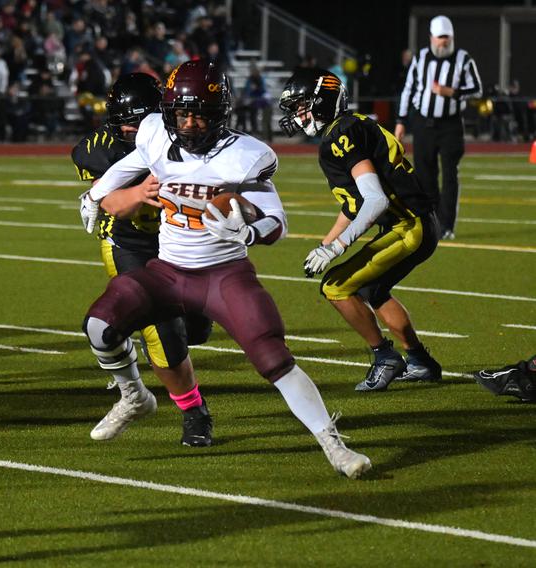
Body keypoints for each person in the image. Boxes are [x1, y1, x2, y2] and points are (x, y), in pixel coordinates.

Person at [78, 60, 371, 479]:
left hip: (223, 275)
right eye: (184, 113)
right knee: (98, 327)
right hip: (167, 271)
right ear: (169, 113)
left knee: (274, 359)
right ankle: (134, 395)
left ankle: (334, 445)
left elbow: (277, 221)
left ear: (222, 115)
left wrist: (248, 232)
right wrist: (98, 193)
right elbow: (133, 164)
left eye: (203, 115)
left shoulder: (245, 156)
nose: (193, 124)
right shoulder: (154, 135)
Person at [72, 73, 215, 446]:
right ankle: (193, 413)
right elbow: (111, 204)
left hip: (182, 241)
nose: (132, 129)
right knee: (164, 331)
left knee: (196, 330)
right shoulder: (100, 150)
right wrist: (140, 191)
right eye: (126, 122)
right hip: (131, 243)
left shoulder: (188, 135)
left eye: (140, 121)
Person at [278, 68, 443, 392]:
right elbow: (354, 207)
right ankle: (420, 361)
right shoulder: (349, 127)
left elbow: (375, 200)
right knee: (374, 291)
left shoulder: (342, 135)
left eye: (302, 105)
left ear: (322, 102)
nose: (298, 114)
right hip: (413, 222)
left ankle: (385, 357)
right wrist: (325, 243)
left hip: (410, 225)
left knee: (336, 287)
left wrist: (336, 248)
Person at [395, 15, 482, 240]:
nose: (443, 42)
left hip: (450, 124)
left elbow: (477, 89)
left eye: (447, 37)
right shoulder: (421, 58)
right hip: (424, 123)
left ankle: (447, 225)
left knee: (450, 174)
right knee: (425, 174)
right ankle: (431, 222)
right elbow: (408, 89)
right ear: (432, 37)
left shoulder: (463, 59)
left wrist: (451, 92)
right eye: (440, 37)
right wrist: (401, 121)